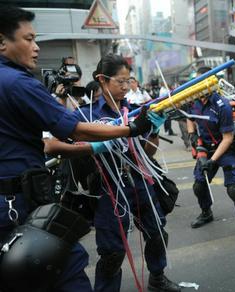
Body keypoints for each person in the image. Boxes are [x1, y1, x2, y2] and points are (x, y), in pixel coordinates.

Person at [0, 6, 154, 292]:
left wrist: (145, 129)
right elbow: (68, 133)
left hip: (132, 188)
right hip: (18, 203)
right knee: (69, 268)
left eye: (127, 81)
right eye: (29, 39)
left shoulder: (132, 108)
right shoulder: (19, 84)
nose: (36, 48)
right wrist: (129, 130)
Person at [46, 54, 181, 292]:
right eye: (120, 81)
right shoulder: (86, 116)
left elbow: (147, 152)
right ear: (102, 80)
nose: (126, 87)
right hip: (109, 188)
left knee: (158, 232)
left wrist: (154, 130)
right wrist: (94, 146)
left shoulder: (134, 112)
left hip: (139, 181)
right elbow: (52, 146)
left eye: (129, 81)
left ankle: (157, 279)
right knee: (113, 253)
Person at [187, 66, 235, 249]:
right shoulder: (193, 100)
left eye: (203, 82)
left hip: (225, 149)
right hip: (205, 147)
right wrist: (193, 137)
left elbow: (227, 138)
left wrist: (211, 161)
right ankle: (206, 212)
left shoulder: (222, 105)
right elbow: (189, 118)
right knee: (199, 185)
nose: (198, 86)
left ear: (211, 83)